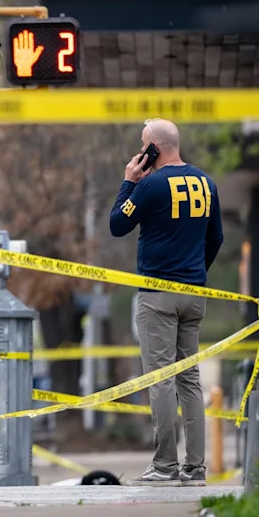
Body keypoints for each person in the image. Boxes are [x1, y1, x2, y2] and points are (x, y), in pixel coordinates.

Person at [108, 118, 224, 487]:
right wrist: (195, 274)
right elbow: (216, 238)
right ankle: (195, 467)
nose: (141, 152)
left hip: (158, 295)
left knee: (160, 379)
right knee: (189, 380)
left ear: (154, 148)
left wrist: (129, 181)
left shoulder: (152, 184)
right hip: (194, 293)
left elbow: (117, 224)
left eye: (144, 145)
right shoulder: (206, 182)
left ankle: (164, 465)